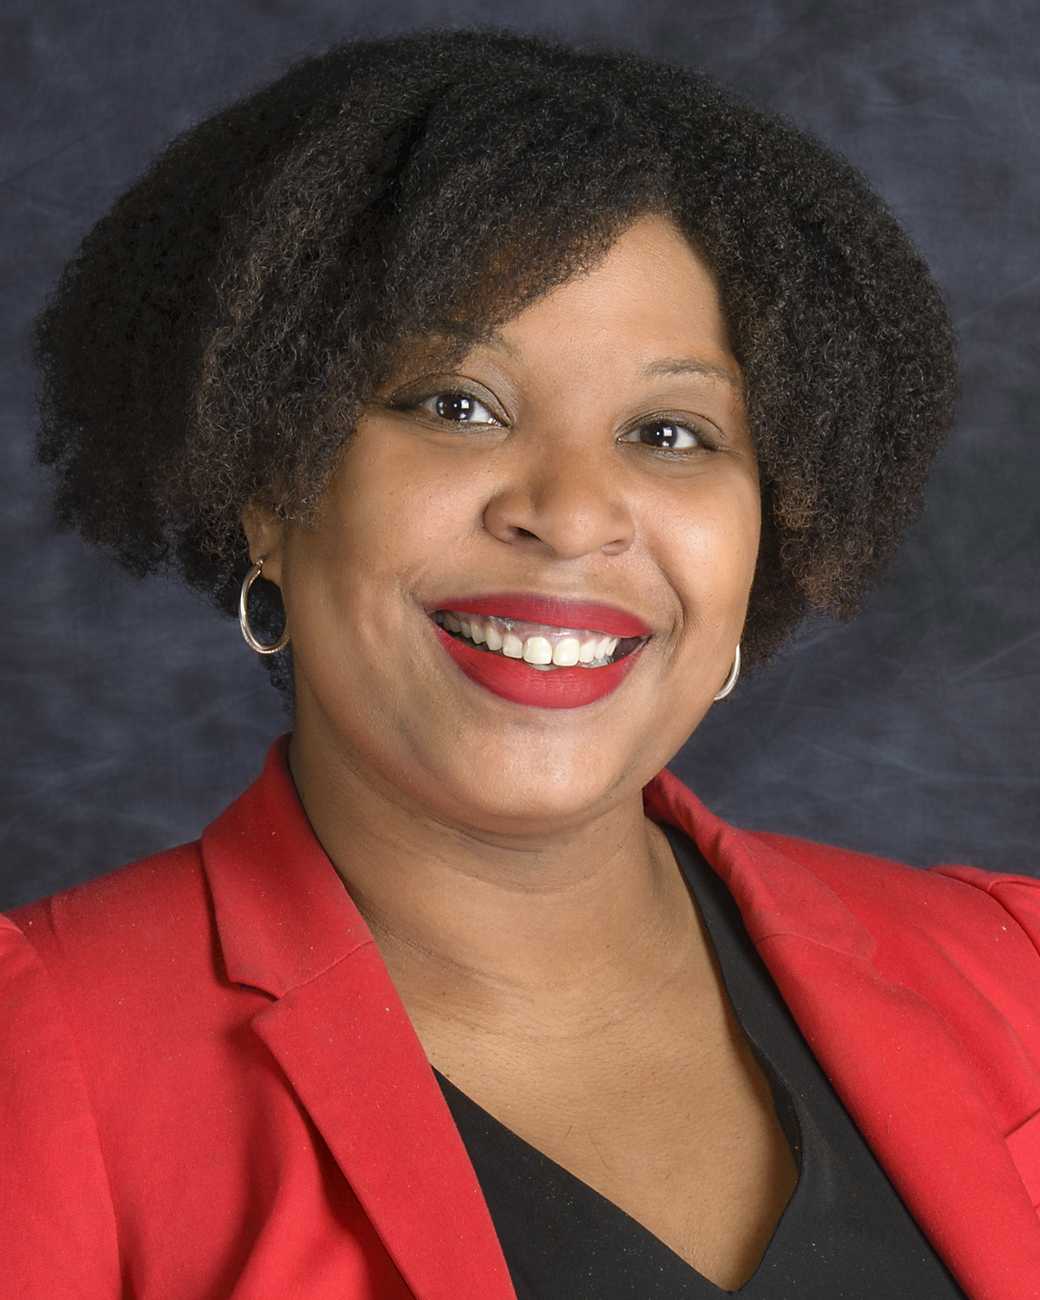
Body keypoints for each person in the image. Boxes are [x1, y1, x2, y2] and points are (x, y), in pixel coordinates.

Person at [3, 28, 1038, 1300]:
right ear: (270, 489)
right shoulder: (43, 1060)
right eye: (458, 406)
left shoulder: (1007, 974)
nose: (571, 512)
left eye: (670, 432)